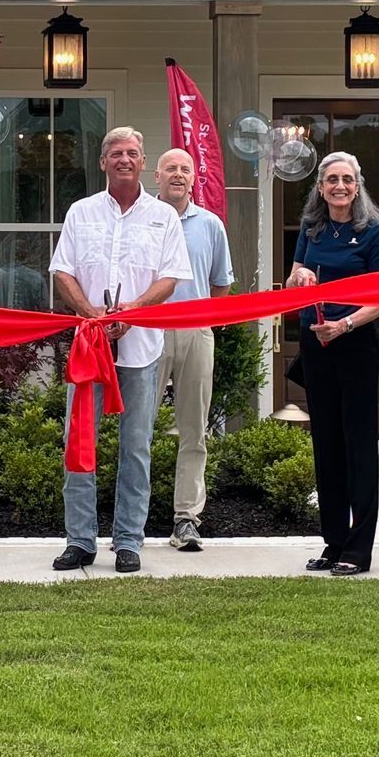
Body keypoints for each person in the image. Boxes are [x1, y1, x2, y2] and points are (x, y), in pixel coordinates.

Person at [50, 127, 192, 573]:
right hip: (89, 348)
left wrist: (130, 310)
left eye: (132, 152)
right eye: (116, 153)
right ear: (103, 162)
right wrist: (93, 313)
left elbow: (169, 278)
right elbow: (62, 271)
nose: (124, 159)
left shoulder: (164, 217)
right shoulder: (80, 212)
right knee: (80, 445)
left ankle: (129, 541)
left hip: (141, 349)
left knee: (136, 448)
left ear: (143, 161)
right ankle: (80, 541)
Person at [285, 152, 379, 575]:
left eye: (347, 179)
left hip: (356, 343)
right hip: (317, 346)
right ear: (320, 187)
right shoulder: (312, 228)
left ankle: (359, 549)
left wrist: (345, 324)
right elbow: (295, 277)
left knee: (358, 446)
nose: (340, 186)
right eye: (332, 179)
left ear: (358, 184)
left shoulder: (373, 231)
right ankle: (333, 542)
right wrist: (300, 279)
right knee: (325, 444)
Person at [153, 148, 234, 552]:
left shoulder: (211, 225)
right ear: (158, 176)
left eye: (186, 169)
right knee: (138, 430)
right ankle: (130, 521)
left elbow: (221, 283)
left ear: (194, 176)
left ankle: (186, 520)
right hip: (148, 333)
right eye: (171, 168)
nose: (179, 175)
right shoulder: (142, 220)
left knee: (194, 431)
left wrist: (205, 317)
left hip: (197, 332)